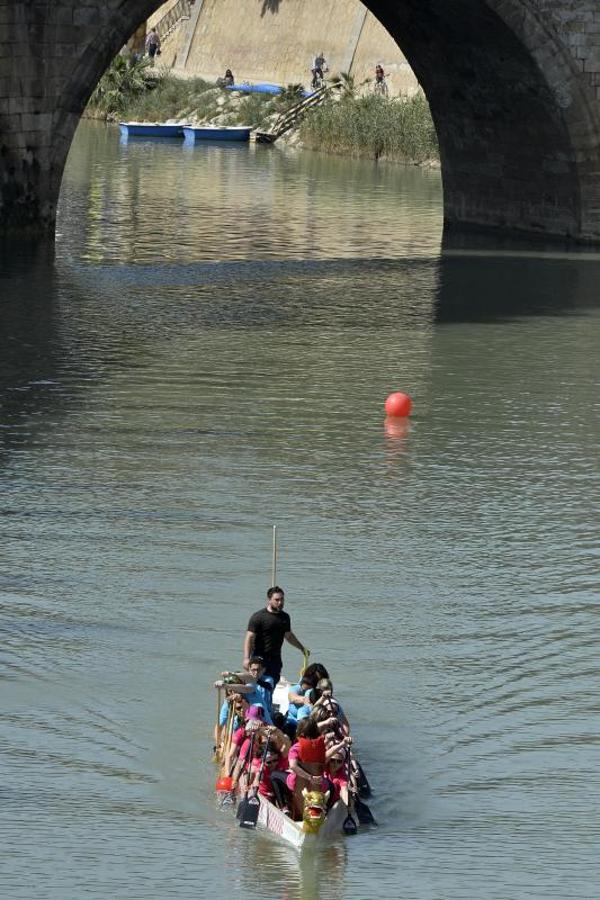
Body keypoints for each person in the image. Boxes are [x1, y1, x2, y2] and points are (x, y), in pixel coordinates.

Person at [243, 586, 308, 685]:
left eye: (282, 599)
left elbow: (289, 636)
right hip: (259, 658)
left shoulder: (285, 617)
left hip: (275, 659)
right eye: (277, 600)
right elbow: (249, 637)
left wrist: (302, 648)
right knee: (256, 686)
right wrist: (246, 658)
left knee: (271, 685)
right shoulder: (258, 617)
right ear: (269, 600)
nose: (280, 602)